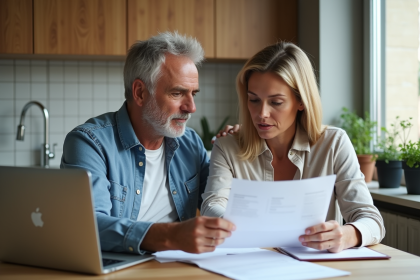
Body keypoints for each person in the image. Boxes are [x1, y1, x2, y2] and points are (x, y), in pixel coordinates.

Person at [201, 42, 385, 253]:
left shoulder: (334, 144)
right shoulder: (228, 146)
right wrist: (236, 226)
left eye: (276, 102)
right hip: (250, 267)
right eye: (254, 100)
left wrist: (346, 235)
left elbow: (371, 220)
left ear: (301, 101)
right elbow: (211, 207)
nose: (262, 113)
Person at [61, 32, 235, 255]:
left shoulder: (190, 143)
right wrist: (171, 236)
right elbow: (89, 225)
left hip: (179, 267)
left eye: (193, 94)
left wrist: (235, 152)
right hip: (120, 269)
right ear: (140, 93)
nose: (191, 107)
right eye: (177, 93)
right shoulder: (89, 143)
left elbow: (221, 203)